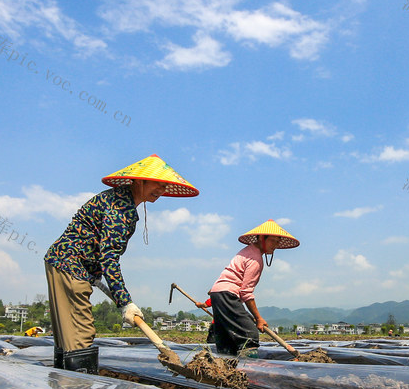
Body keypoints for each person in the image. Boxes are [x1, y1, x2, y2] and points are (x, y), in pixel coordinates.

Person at [45, 154, 199, 373]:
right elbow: (109, 256)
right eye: (158, 183)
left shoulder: (121, 201)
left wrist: (95, 273)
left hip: (65, 263)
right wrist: (125, 301)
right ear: (138, 181)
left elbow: (98, 247)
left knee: (67, 337)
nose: (161, 190)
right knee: (80, 334)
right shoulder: (121, 209)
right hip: (71, 265)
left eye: (165, 185)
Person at [203, 220, 299, 356]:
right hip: (227, 294)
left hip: (218, 293)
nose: (276, 246)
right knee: (249, 335)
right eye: (273, 241)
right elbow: (246, 292)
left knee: (227, 336)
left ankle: (226, 367)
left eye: (278, 242)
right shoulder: (255, 259)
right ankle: (250, 371)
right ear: (261, 238)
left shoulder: (248, 251)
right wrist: (258, 318)